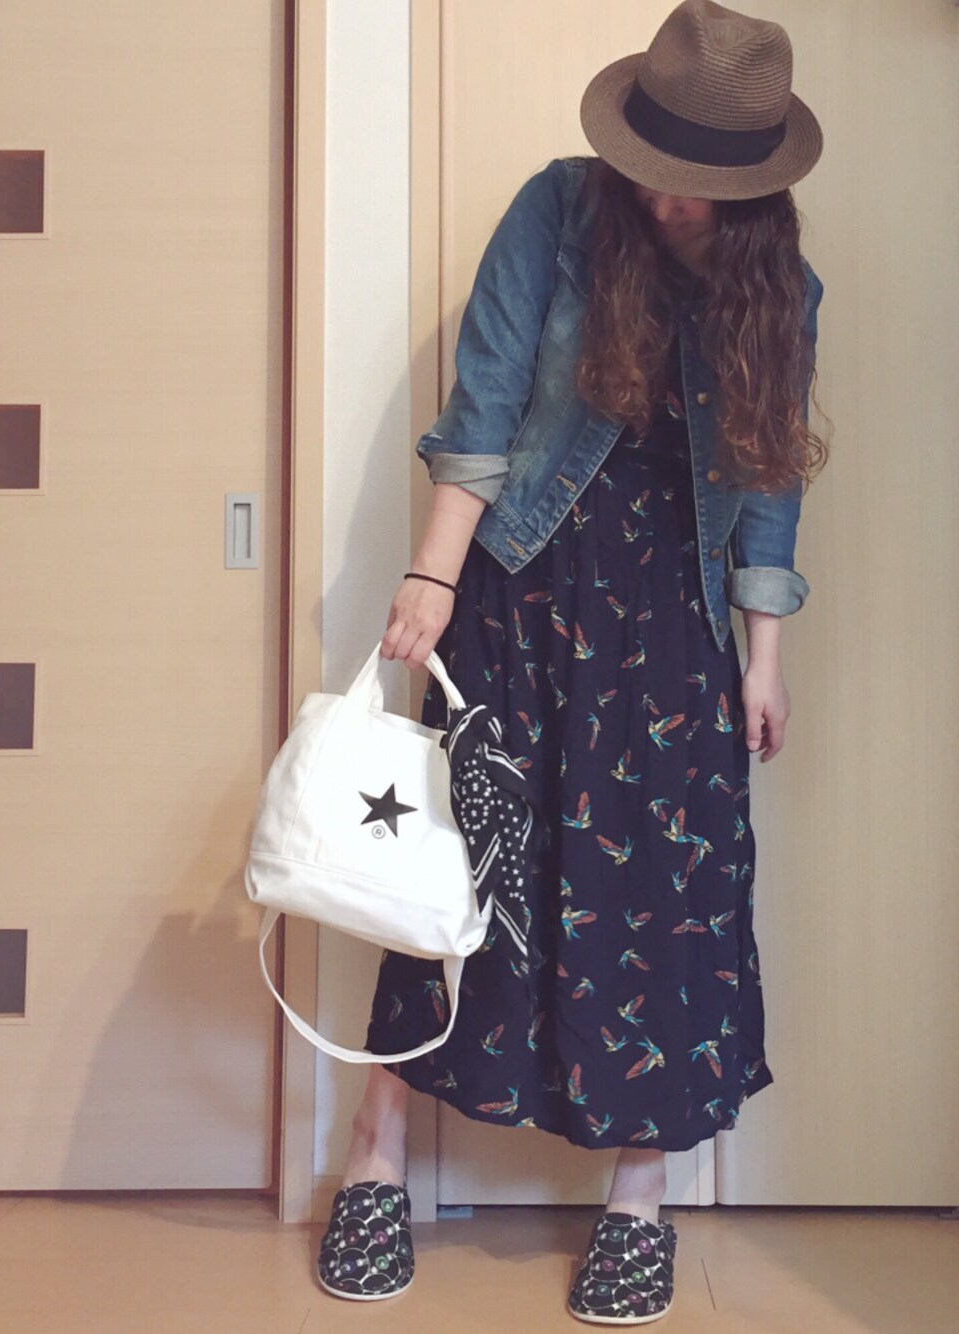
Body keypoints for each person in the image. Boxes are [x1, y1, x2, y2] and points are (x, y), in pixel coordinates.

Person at [317, 1, 828, 1321]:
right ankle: (375, 1153)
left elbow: (769, 481)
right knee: (459, 872)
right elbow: (484, 403)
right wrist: (434, 575)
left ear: (753, 182)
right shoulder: (558, 211)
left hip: (678, 628)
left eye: (697, 179)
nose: (667, 196)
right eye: (654, 162)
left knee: (667, 901)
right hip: (525, 598)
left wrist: (764, 656)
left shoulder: (782, 287)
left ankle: (639, 1195)